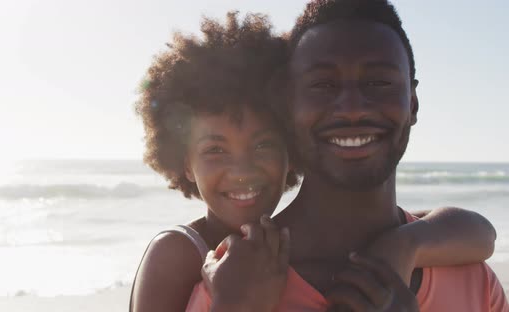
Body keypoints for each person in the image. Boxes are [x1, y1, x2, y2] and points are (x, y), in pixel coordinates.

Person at [129, 10, 499, 312]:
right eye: (322, 85)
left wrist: (404, 245)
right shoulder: (200, 266)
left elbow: (471, 229)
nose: (352, 110)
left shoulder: (465, 272)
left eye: (379, 83)